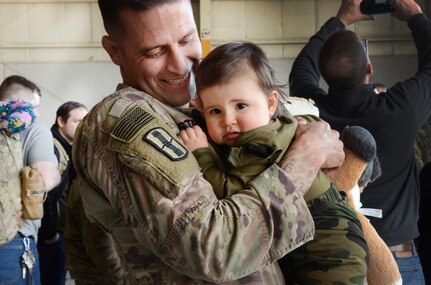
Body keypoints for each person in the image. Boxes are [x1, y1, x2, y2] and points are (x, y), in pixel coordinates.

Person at [72, 0, 345, 284]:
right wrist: (305, 160)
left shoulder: (194, 106)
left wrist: (314, 137)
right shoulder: (126, 120)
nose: (180, 65)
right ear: (114, 51)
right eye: (154, 51)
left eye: (187, 39)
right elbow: (214, 248)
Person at [178, 42, 368, 284]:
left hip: (329, 244)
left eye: (240, 106)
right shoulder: (281, 125)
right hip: (314, 236)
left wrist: (201, 152)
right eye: (215, 111)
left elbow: (230, 191)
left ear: (270, 104)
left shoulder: (260, 145)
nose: (228, 120)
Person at [289, 0, 430, 283]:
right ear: (369, 68)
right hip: (397, 260)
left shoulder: (313, 110)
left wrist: (339, 19)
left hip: (334, 262)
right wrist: (415, 16)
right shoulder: (403, 110)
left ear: (325, 76)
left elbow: (302, 67)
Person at [0, 75, 61, 285]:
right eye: (34, 107)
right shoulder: (34, 129)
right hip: (12, 241)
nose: (36, 113)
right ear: (19, 103)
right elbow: (45, 177)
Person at [37, 101, 88, 285]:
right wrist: (50, 233)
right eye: (77, 121)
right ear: (61, 120)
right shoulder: (51, 148)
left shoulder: (70, 149)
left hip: (63, 231)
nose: (82, 127)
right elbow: (44, 194)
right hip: (52, 235)